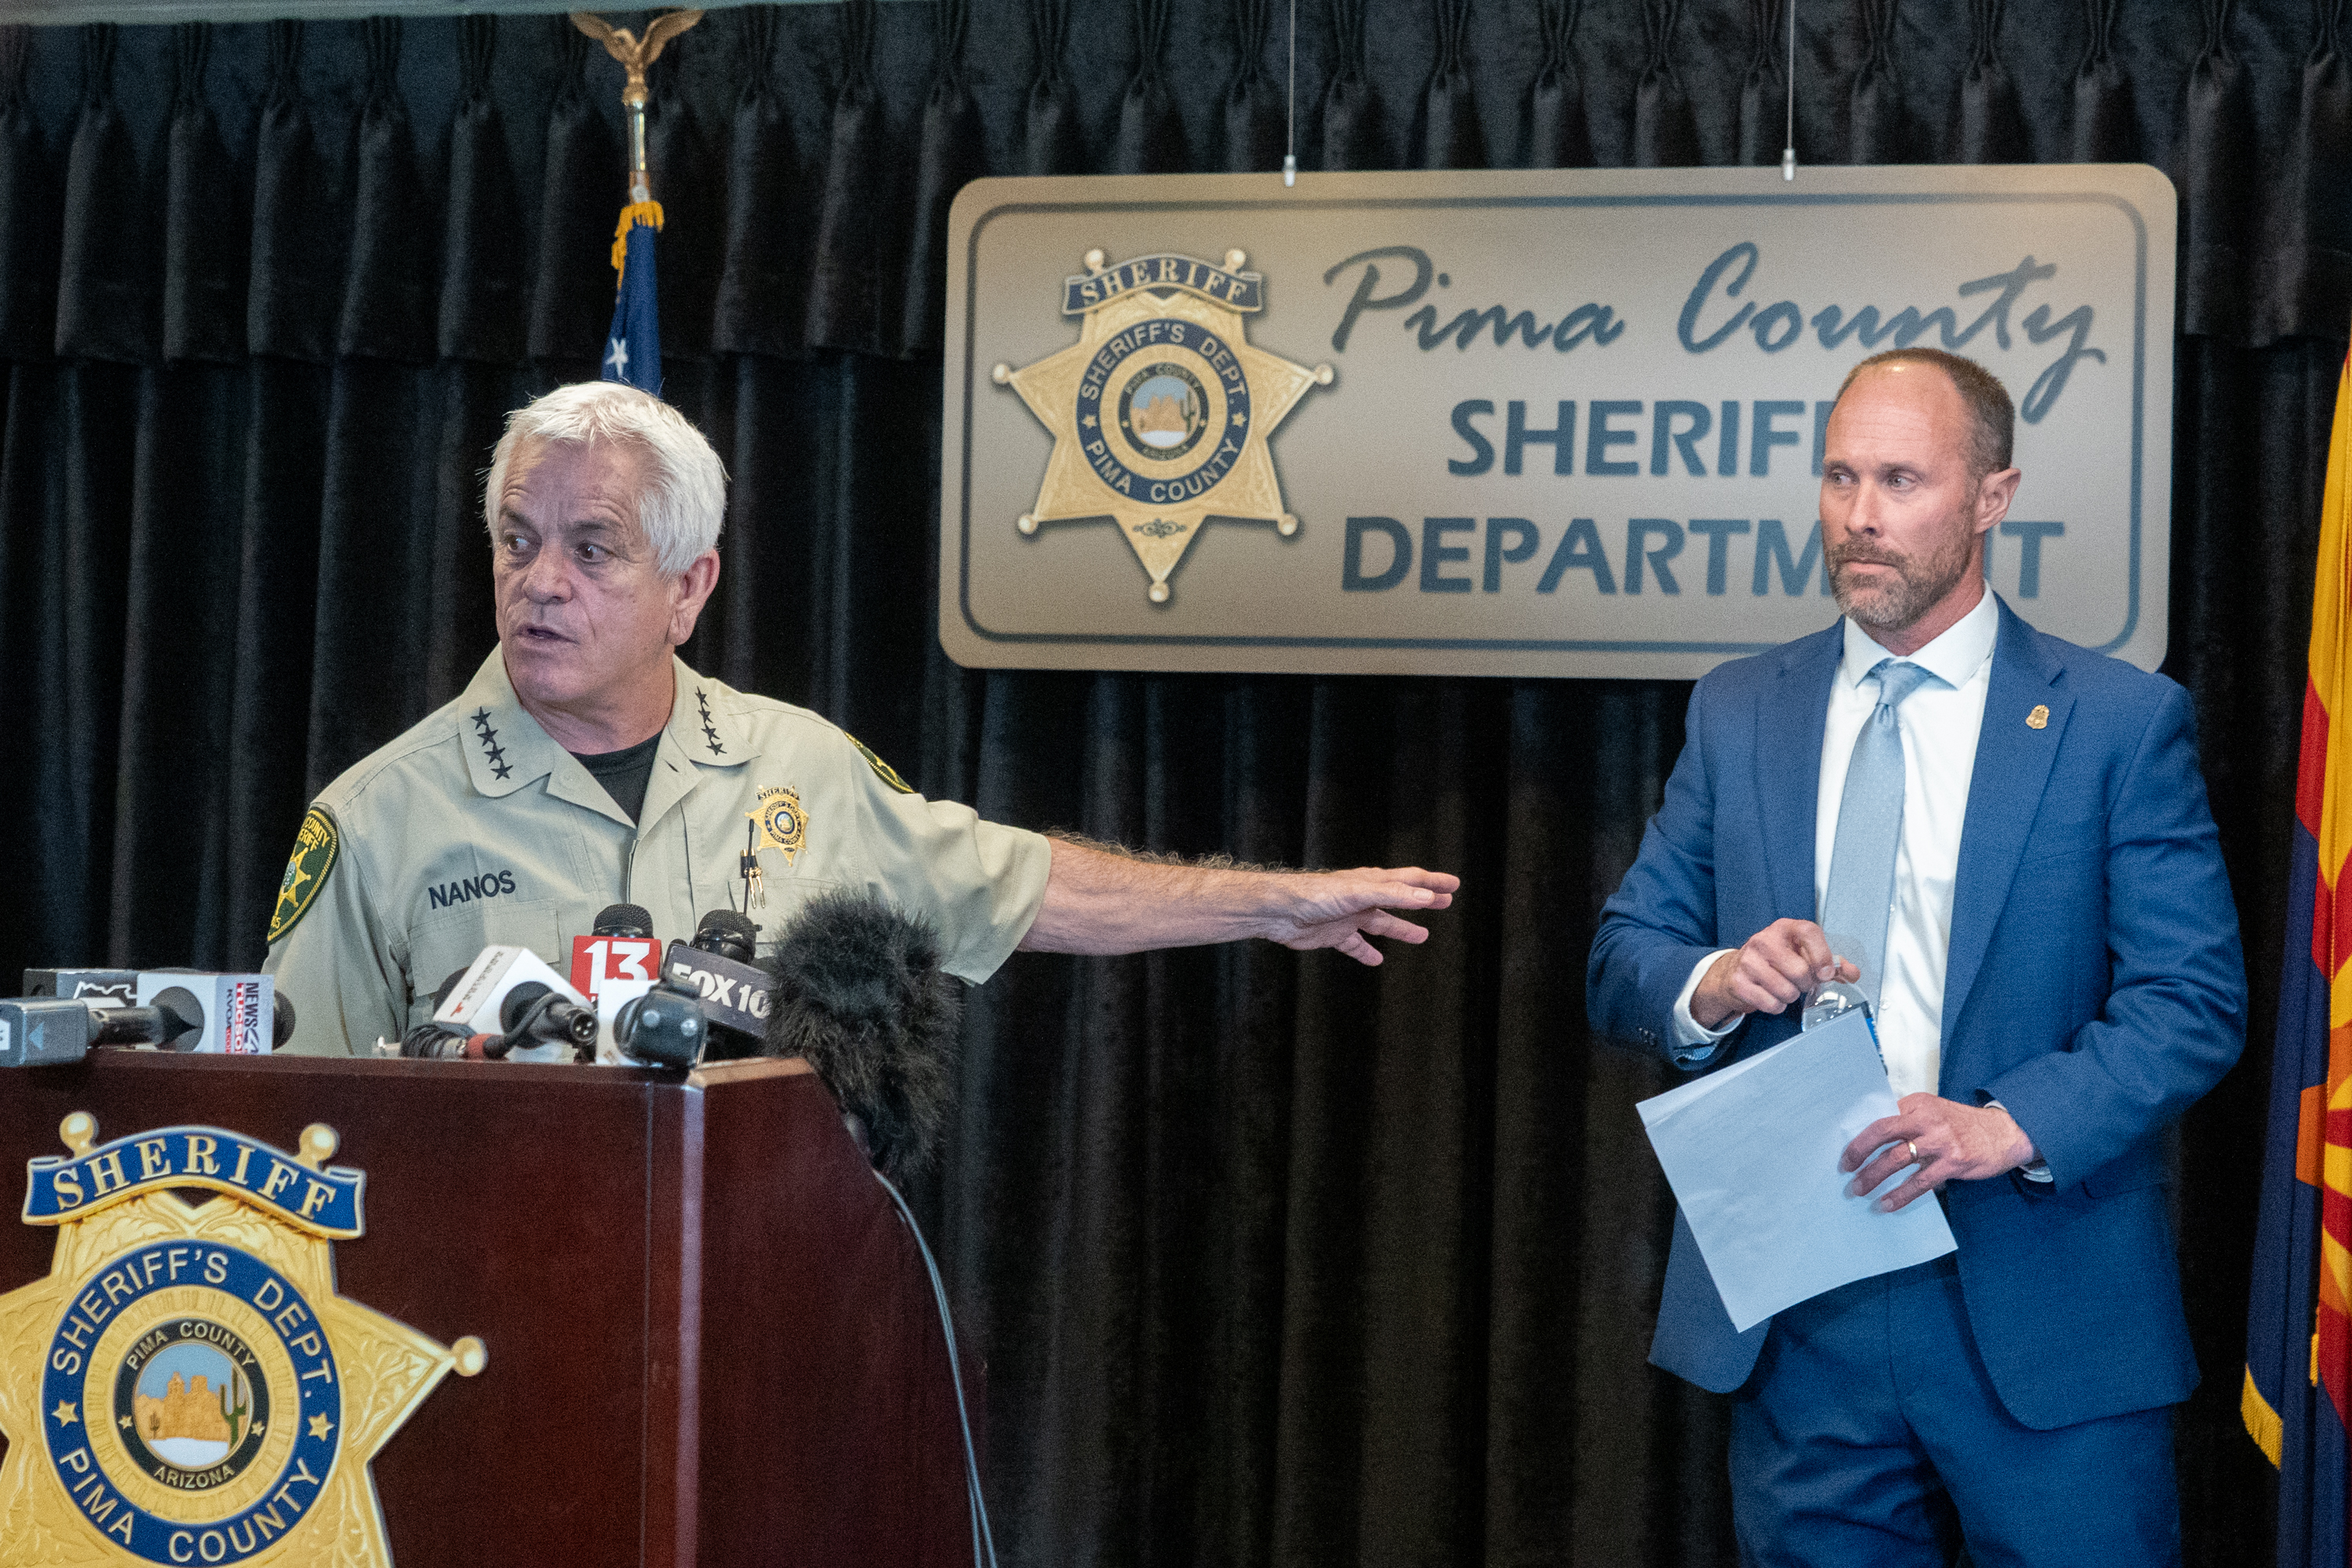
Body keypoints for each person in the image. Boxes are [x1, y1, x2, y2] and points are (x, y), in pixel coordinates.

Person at [265, 382, 1457, 1056]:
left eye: (593, 550)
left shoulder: (798, 768)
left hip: (737, 1329)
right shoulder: (379, 819)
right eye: (518, 544)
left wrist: (1268, 902)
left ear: (691, 588)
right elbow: (292, 1126)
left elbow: (1020, 885)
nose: (541, 582)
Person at [1586, 347, 2245, 1565]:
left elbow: (2191, 1000)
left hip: (2037, 1293)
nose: (1860, 518)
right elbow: (1626, 955)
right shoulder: (1741, 708)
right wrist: (1719, 981)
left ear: (1993, 496)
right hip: (1804, 1305)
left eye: (1901, 480)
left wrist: (2007, 1126)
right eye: (1839, 477)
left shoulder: (2114, 721)